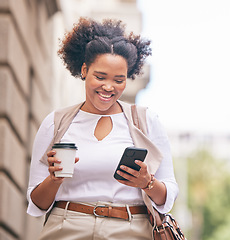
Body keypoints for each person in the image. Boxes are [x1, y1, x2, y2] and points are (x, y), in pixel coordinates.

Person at [26, 17, 178, 240]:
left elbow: (169, 195)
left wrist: (147, 183)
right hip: (66, 227)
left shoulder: (145, 121)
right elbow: (37, 203)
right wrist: (54, 179)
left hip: (129, 229)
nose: (109, 87)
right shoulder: (56, 122)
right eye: (100, 76)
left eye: (119, 79)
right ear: (85, 70)